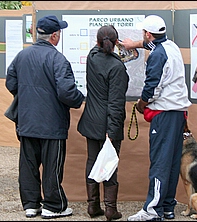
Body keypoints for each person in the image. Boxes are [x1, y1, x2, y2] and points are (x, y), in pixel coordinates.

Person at [5, 15, 85, 219]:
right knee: (52, 166)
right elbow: (67, 92)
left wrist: (26, 96)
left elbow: (10, 83)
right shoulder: (58, 59)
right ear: (55, 36)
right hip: (52, 123)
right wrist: (80, 99)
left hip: (26, 120)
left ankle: (31, 205)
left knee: (28, 164)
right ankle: (53, 205)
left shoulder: (22, 56)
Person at [120, 15, 192, 221]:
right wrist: (134, 44)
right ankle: (167, 207)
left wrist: (141, 104)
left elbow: (152, 88)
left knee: (159, 162)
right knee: (169, 161)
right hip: (177, 114)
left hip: (164, 114)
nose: (143, 36)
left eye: (144, 33)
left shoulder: (158, 55)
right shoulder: (171, 47)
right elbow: (151, 43)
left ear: (149, 33)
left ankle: (152, 210)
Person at [77, 25, 129, 221]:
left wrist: (108, 43)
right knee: (109, 164)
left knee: (92, 161)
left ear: (97, 43)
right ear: (116, 43)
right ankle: (110, 209)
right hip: (108, 122)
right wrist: (112, 130)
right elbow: (116, 103)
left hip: (91, 120)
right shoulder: (117, 67)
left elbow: (96, 48)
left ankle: (93, 206)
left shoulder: (92, 58)